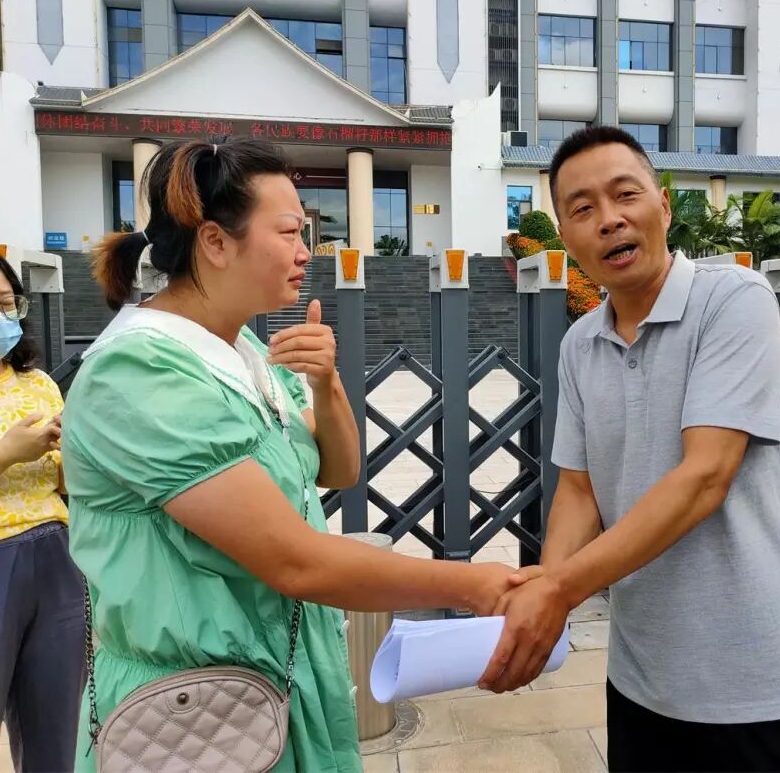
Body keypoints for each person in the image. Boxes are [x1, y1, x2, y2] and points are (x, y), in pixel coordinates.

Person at [61, 137, 522, 772]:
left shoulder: (244, 350)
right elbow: (296, 562)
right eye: (289, 232)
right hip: (193, 713)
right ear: (215, 242)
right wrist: (479, 585)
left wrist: (326, 384)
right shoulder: (138, 374)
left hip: (277, 680)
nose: (307, 251)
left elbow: (340, 470)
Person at [479, 126, 780, 773]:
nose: (609, 219)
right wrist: (544, 596)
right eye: (582, 208)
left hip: (764, 684)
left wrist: (557, 589)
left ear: (664, 206)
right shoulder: (579, 346)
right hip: (642, 683)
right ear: (565, 236)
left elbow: (705, 476)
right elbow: (579, 489)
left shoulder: (733, 301)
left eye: (626, 195)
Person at [0, 243, 85, 772]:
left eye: (6, 303)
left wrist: (74, 453)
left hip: (55, 554)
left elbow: (65, 481)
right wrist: (7, 452)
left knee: (57, 722)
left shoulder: (37, 384)